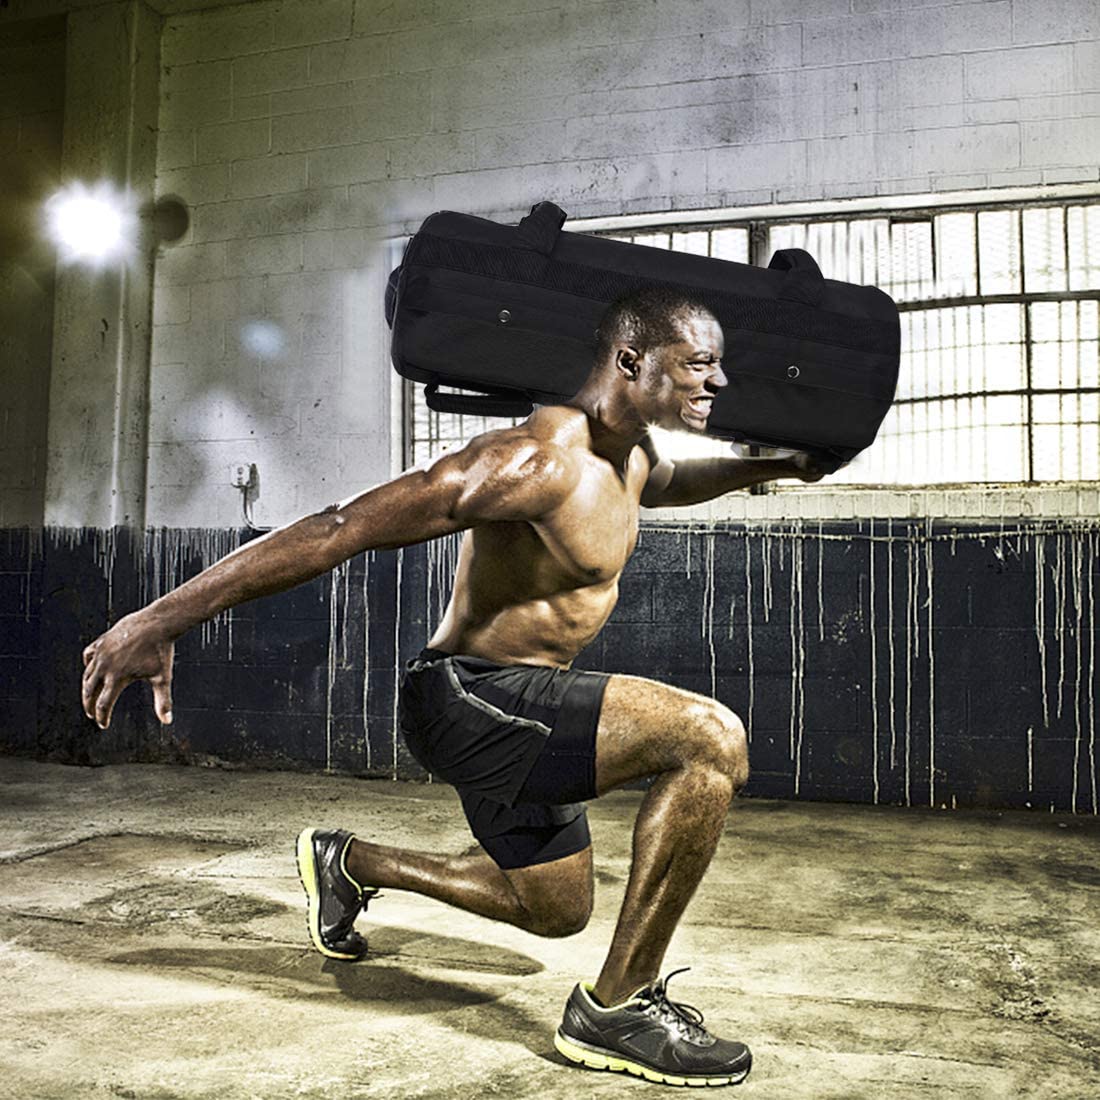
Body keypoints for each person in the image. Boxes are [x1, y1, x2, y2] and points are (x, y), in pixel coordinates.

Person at [82, 286, 837, 1087]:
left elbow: (671, 484)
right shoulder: (532, 462)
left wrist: (776, 466)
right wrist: (157, 619)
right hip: (469, 698)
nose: (718, 382)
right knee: (709, 737)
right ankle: (618, 1011)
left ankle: (350, 862)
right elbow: (340, 529)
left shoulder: (635, 454)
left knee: (554, 910)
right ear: (629, 360)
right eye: (699, 364)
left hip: (525, 705)